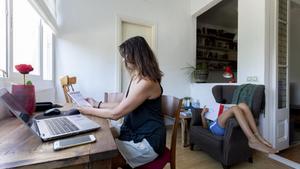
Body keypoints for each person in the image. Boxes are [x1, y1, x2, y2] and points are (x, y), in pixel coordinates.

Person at [78, 36, 165, 168]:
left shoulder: (147, 82)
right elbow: (122, 104)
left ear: (135, 56)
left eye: (125, 55)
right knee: (99, 137)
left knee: (103, 153)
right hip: (133, 129)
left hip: (149, 140)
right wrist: (96, 104)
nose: (123, 59)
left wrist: (86, 110)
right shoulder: (136, 77)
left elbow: (115, 114)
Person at [200, 103, 278, 154]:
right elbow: (205, 127)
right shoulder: (206, 117)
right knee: (234, 108)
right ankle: (252, 140)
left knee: (243, 105)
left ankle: (258, 136)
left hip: (221, 119)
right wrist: (202, 114)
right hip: (215, 127)